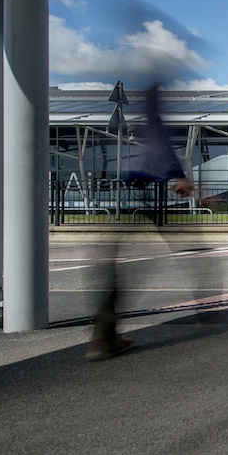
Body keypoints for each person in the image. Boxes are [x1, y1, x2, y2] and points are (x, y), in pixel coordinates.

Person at [88, 84, 196, 361]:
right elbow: (157, 139)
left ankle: (104, 335)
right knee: (149, 258)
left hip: (132, 187)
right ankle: (105, 336)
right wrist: (177, 174)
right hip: (147, 188)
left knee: (124, 260)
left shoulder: (129, 104)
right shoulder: (151, 98)